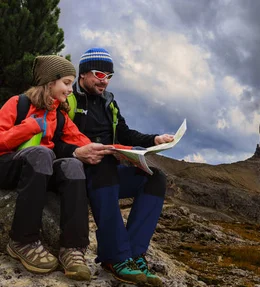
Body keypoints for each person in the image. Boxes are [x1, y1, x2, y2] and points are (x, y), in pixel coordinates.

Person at [56, 47, 173, 286]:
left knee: (155, 178)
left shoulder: (110, 103)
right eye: (100, 75)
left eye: (109, 76)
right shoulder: (68, 98)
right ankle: (115, 256)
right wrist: (78, 152)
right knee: (105, 166)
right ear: (84, 74)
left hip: (106, 173)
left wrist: (154, 140)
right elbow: (52, 139)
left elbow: (125, 133)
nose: (105, 82)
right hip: (79, 172)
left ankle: (134, 254)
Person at [0, 55, 114, 281]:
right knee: (43, 153)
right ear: (50, 82)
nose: (70, 90)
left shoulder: (58, 115)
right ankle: (22, 241)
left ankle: (73, 249)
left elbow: (82, 141)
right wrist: (29, 127)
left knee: (72, 165)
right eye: (66, 83)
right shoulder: (18, 103)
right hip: (7, 167)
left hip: (38, 172)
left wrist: (116, 151)